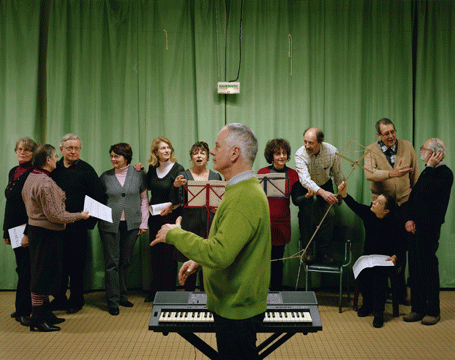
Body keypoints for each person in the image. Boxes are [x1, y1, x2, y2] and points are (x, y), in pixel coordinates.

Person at [151, 123, 271, 360]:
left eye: (217, 146)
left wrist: (174, 233)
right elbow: (229, 243)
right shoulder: (239, 190)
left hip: (236, 310)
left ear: (235, 153)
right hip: (234, 304)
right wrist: (197, 260)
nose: (212, 152)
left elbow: (219, 253)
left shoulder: (244, 197)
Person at [22, 144, 90, 332]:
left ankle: (44, 313)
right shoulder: (44, 183)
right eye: (54, 156)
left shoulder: (32, 177)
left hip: (38, 231)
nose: (57, 159)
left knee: (43, 273)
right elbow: (56, 216)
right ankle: (37, 318)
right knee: (41, 275)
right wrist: (79, 215)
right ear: (47, 160)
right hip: (46, 233)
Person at [364, 118, 420, 304]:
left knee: (401, 247)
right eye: (386, 133)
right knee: (380, 246)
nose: (391, 136)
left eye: (393, 132)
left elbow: (416, 176)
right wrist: (391, 173)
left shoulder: (407, 146)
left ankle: (401, 291)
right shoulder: (371, 149)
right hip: (381, 206)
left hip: (404, 203)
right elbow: (369, 173)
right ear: (378, 135)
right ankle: (381, 290)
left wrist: (415, 203)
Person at [50, 134, 104, 314]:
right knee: (58, 265)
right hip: (55, 226)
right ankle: (58, 298)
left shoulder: (87, 170)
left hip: (78, 226)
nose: (73, 151)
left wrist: (90, 222)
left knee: (76, 266)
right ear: (61, 149)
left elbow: (99, 196)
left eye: (77, 148)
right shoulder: (53, 169)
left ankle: (76, 300)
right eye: (70, 148)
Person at [402, 138, 453, 326]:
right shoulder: (426, 172)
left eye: (424, 149)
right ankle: (417, 308)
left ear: (434, 154)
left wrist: (430, 168)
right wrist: (408, 219)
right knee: (414, 267)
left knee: (428, 268)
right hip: (414, 227)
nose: (421, 151)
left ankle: (433, 310)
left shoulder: (444, 173)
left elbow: (426, 192)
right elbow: (413, 198)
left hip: (429, 228)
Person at [338, 181, 402, 328]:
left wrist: (396, 256)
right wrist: (344, 194)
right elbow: (354, 205)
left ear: (386, 211)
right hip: (369, 255)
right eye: (375, 200)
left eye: (378, 202)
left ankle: (379, 312)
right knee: (365, 273)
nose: (373, 202)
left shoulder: (394, 220)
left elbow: (401, 242)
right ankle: (367, 305)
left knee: (379, 276)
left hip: (388, 257)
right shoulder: (369, 213)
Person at [98, 143, 149, 316]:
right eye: (111, 156)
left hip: (132, 224)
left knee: (125, 261)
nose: (113, 159)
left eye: (116, 156)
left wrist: (144, 223)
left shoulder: (139, 173)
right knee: (112, 262)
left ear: (126, 157)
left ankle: (123, 296)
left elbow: (144, 199)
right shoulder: (104, 177)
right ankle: (112, 301)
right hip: (109, 225)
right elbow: (98, 201)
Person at [170, 141, 222, 291]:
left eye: (202, 153)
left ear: (207, 157)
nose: (199, 156)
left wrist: (217, 209)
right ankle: (190, 301)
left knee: (208, 266)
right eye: (195, 153)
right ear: (191, 157)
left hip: (210, 225)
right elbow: (175, 202)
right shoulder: (184, 175)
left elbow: (222, 201)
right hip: (189, 225)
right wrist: (175, 187)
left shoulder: (216, 176)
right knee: (189, 266)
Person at [294, 127, 345, 264]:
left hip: (325, 183)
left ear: (320, 142)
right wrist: (321, 193)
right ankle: (307, 251)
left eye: (310, 143)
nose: (306, 146)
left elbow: (338, 174)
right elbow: (304, 180)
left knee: (330, 214)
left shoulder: (332, 152)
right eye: (305, 142)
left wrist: (340, 192)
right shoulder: (300, 154)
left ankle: (323, 252)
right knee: (305, 214)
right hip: (306, 186)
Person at [144, 137, 184, 302]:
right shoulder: (152, 168)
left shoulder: (178, 168)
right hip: (154, 217)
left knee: (169, 256)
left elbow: (181, 197)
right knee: (155, 255)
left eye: (168, 148)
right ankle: (155, 290)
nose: (167, 151)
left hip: (170, 216)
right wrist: (138, 169)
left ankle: (169, 291)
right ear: (155, 152)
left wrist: (172, 207)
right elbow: (147, 188)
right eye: (163, 148)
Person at [3, 137, 37, 327]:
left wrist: (28, 232)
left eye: (27, 150)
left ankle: (26, 310)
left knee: (27, 270)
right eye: (19, 149)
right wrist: (6, 231)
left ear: (33, 153)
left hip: (28, 228)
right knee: (21, 268)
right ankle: (21, 307)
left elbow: (33, 207)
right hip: (14, 228)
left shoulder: (34, 173)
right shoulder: (13, 171)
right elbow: (10, 204)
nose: (22, 152)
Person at [257, 138, 299, 291]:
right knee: (261, 261)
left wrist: (306, 196)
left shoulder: (293, 174)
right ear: (271, 156)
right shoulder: (262, 173)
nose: (282, 156)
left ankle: (275, 293)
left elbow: (296, 201)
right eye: (277, 153)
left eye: (284, 153)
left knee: (277, 261)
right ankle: (260, 293)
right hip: (264, 224)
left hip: (282, 224)